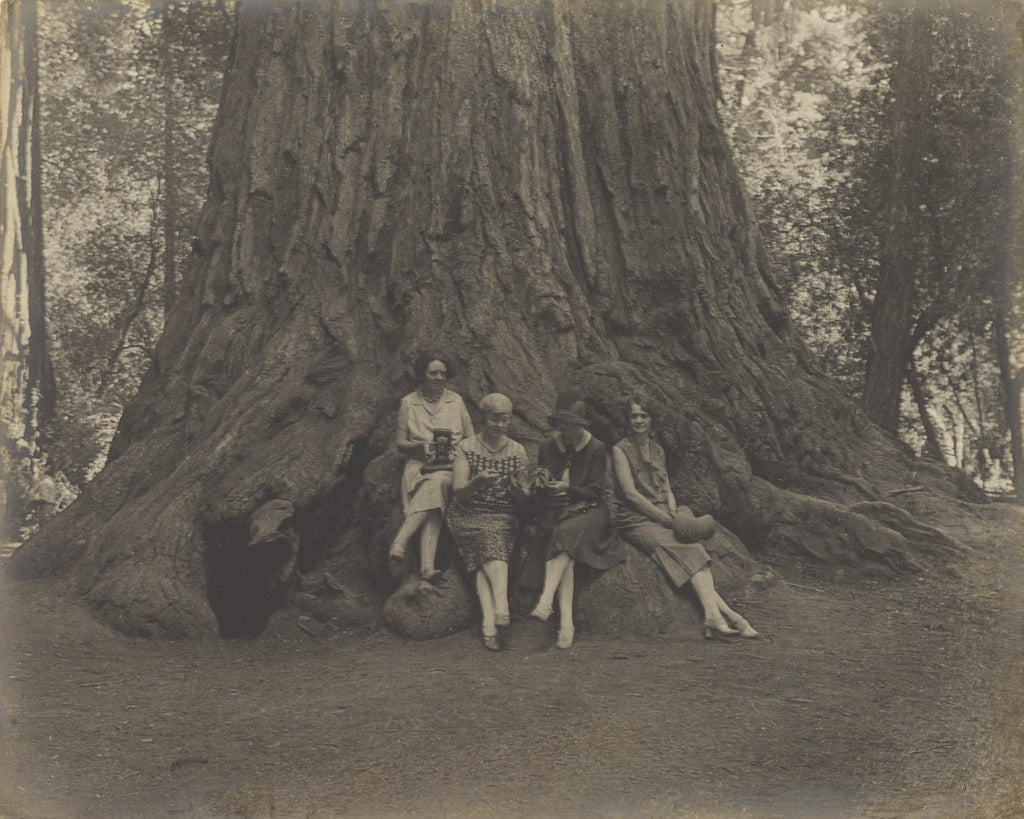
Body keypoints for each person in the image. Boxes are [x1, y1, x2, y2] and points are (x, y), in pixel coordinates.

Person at [609, 394, 759, 642]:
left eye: (643, 415)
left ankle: (719, 617)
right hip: (636, 519)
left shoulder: (658, 450)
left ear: (652, 419)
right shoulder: (620, 450)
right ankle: (731, 617)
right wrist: (664, 519)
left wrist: (674, 512)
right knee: (691, 552)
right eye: (633, 416)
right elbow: (630, 495)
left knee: (694, 549)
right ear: (627, 420)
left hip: (662, 516)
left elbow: (667, 488)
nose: (638, 420)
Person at [528, 391, 625, 649]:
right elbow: (544, 482)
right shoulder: (548, 447)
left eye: (570, 425)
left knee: (564, 535)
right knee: (564, 547)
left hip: (591, 510)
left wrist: (566, 488)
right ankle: (566, 624)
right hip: (559, 509)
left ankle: (546, 600)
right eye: (561, 424)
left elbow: (595, 491)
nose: (564, 430)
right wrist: (541, 482)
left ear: (581, 425)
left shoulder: (596, 449)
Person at [447, 393, 528, 651]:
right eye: (494, 419)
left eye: (505, 419)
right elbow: (458, 491)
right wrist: (478, 481)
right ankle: (501, 605)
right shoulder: (466, 447)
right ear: (483, 418)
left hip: (503, 514)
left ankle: (489, 623)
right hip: (467, 513)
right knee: (489, 539)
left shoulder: (517, 450)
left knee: (486, 556)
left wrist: (520, 490)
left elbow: (522, 495)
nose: (499, 425)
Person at [389, 352, 474, 583]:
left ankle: (401, 540)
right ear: (421, 375)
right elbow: (400, 443)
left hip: (449, 467)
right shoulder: (409, 403)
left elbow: (471, 438)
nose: (439, 378)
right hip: (420, 466)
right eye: (433, 373)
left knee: (439, 483)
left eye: (443, 374)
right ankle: (427, 568)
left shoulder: (455, 401)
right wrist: (421, 446)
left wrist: (459, 458)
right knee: (435, 496)